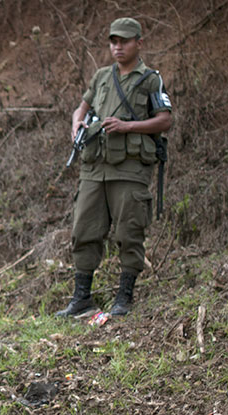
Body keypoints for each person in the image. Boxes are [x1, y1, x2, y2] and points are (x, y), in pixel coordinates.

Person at [57, 17, 172, 317]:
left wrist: (127, 125)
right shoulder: (101, 77)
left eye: (124, 40)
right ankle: (82, 298)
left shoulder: (150, 79)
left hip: (130, 168)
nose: (117, 46)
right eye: (113, 41)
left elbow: (165, 119)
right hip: (95, 166)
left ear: (139, 43)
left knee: (128, 231)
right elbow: (81, 107)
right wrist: (77, 124)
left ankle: (125, 296)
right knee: (84, 229)